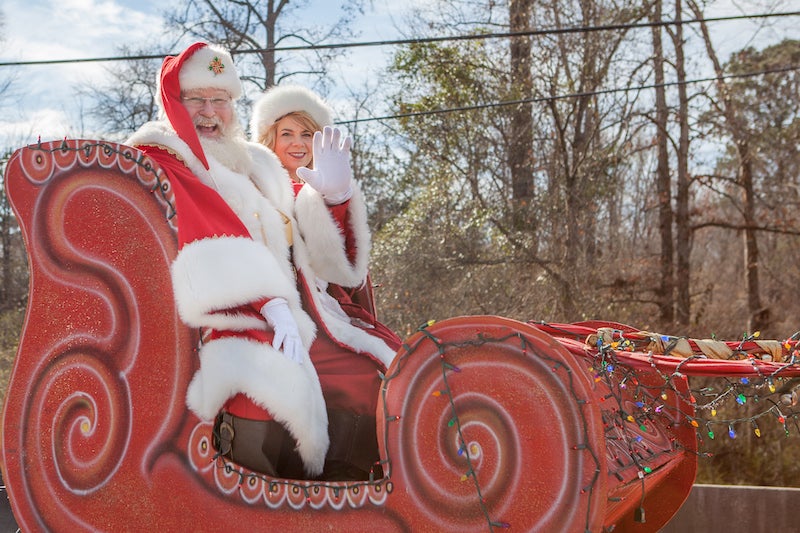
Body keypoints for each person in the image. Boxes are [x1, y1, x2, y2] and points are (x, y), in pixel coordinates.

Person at [125, 42, 400, 481]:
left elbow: (310, 245)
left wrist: (335, 198)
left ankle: (351, 489)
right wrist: (267, 301)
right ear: (177, 102)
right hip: (225, 313)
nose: (211, 112)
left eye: (221, 100)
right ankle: (283, 493)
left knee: (376, 374)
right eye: (198, 99)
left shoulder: (255, 166)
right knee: (294, 381)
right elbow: (205, 226)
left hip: (295, 314)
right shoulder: (166, 158)